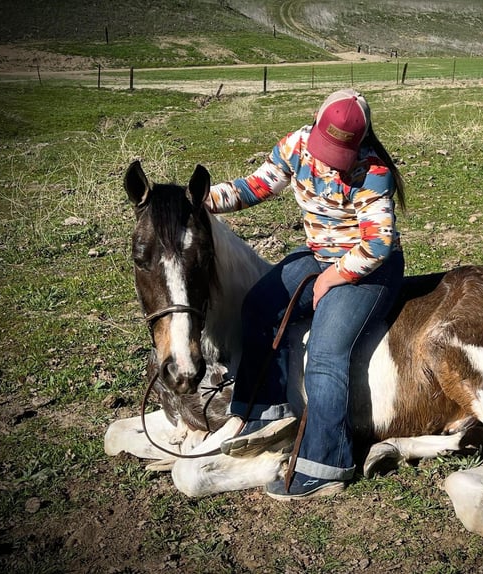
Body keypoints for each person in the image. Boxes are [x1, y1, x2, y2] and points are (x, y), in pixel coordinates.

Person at [204, 89, 406, 500]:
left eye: (340, 153)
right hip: (319, 253)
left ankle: (327, 463)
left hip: (369, 266)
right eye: (325, 148)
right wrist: (201, 202)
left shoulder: (373, 171)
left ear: (362, 140)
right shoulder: (296, 145)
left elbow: (378, 244)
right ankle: (265, 411)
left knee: (329, 353)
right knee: (259, 307)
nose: (330, 162)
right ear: (314, 121)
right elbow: (256, 185)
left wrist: (330, 279)